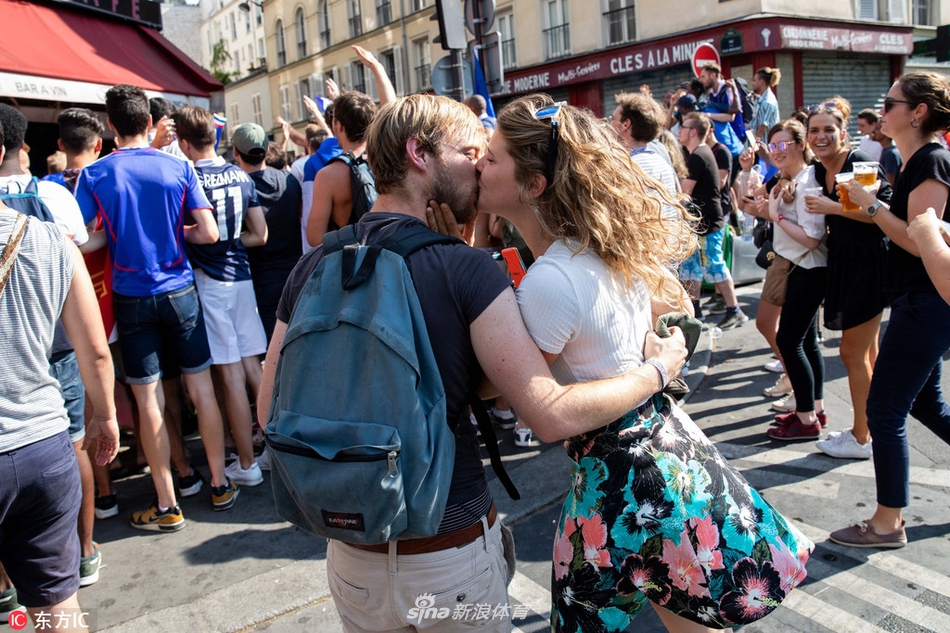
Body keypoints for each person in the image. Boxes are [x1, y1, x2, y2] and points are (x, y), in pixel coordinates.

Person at [259, 94, 691, 632]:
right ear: (420, 154)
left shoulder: (313, 263)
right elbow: (546, 410)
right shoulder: (465, 269)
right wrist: (656, 372)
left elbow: (267, 409)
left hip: (351, 559)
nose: (480, 164)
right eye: (469, 150)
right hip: (450, 558)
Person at [472, 94, 812, 632]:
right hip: (660, 458)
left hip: (625, 483)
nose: (476, 164)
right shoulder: (595, 246)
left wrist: (656, 367)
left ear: (533, 186)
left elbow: (504, 392)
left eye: (490, 157)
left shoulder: (550, 281)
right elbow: (672, 303)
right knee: (688, 622)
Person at [75, 84, 238, 530]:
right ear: (149, 122)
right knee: (201, 389)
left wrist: (120, 238)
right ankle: (221, 484)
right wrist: (172, 233)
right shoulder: (178, 167)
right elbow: (208, 232)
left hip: (130, 295)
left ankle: (167, 505)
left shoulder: (94, 175)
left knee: (148, 399)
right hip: (180, 288)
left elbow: (83, 237)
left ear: (111, 125)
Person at [0, 116, 120, 632]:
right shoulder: (50, 238)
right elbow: (95, 352)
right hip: (44, 446)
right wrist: (105, 418)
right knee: (57, 609)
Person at [830, 71, 950, 548]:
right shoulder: (916, 157)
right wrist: (871, 204)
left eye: (890, 102)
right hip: (918, 301)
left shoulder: (933, 160)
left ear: (916, 112)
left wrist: (871, 205)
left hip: (926, 303)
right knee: (924, 403)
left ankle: (887, 523)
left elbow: (923, 241)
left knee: (884, 410)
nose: (883, 110)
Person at [174, 106, 268, 489]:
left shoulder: (185, 176)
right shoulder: (239, 174)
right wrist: (232, 242)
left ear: (183, 143)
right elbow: (260, 234)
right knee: (255, 368)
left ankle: (246, 463)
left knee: (229, 376)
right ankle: (276, 449)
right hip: (242, 276)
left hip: (209, 281)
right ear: (216, 138)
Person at [802, 99, 891, 459]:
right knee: (867, 353)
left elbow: (881, 213)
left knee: (852, 352)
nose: (820, 136)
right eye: (814, 130)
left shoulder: (858, 163)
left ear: (843, 133)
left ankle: (861, 437)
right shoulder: (818, 167)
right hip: (844, 262)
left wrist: (832, 208)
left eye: (828, 130)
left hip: (870, 263)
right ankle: (872, 428)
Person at [755, 120, 829, 441]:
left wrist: (777, 216)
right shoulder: (789, 179)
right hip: (799, 266)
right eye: (773, 146)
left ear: (801, 145)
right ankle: (814, 408)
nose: (777, 151)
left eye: (784, 144)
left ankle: (807, 418)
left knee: (789, 341)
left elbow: (812, 239)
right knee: (807, 342)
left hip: (808, 267)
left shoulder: (809, 182)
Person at [232, 122, 303, 344]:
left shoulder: (240, 187)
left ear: (235, 153)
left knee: (272, 348)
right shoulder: (289, 179)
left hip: (261, 278)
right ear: (266, 148)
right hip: (295, 272)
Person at [678, 112, 749, 328]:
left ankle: (734, 310)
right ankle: (695, 311)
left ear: (692, 132)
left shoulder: (699, 155)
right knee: (691, 266)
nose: (679, 130)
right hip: (700, 221)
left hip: (709, 221)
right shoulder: (700, 152)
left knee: (714, 265)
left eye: (683, 127)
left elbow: (685, 192)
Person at [305, 90, 377, 248]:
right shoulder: (386, 162)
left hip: (353, 262)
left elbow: (315, 237)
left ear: (339, 126)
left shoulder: (328, 175)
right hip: (390, 256)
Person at [609, 91, 679, 196]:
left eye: (613, 119)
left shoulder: (626, 168)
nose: (609, 124)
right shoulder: (662, 164)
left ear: (625, 124)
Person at [750, 67, 782, 140]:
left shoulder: (767, 101)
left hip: (766, 145)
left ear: (761, 82)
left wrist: (755, 145)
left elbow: (762, 127)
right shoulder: (760, 99)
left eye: (755, 80)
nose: (753, 83)